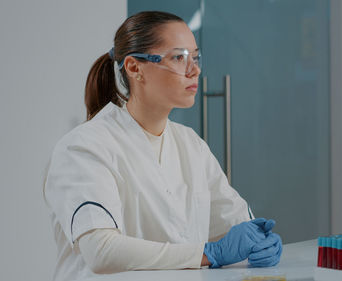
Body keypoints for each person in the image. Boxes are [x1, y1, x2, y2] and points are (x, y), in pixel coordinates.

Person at [43, 11, 282, 281]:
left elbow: (234, 224)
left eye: (195, 57)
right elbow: (101, 251)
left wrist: (258, 240)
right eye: (179, 57)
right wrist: (208, 254)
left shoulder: (191, 144)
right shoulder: (83, 147)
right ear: (134, 68)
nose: (195, 70)